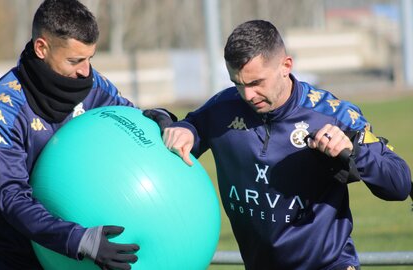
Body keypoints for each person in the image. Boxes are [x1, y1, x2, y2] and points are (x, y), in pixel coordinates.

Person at [158, 20, 412, 269]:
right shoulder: (221, 109)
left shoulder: (333, 116)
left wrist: (353, 152)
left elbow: (399, 184)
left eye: (256, 83)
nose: (247, 95)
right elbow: (189, 128)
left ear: (286, 66)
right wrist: (185, 130)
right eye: (238, 84)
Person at [0, 0, 171, 269]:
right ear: (42, 48)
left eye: (90, 59)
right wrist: (79, 239)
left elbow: (129, 121)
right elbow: (13, 198)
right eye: (75, 60)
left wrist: (161, 119)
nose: (86, 70)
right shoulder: (0, 111)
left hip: (71, 260)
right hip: (7, 257)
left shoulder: (94, 86)